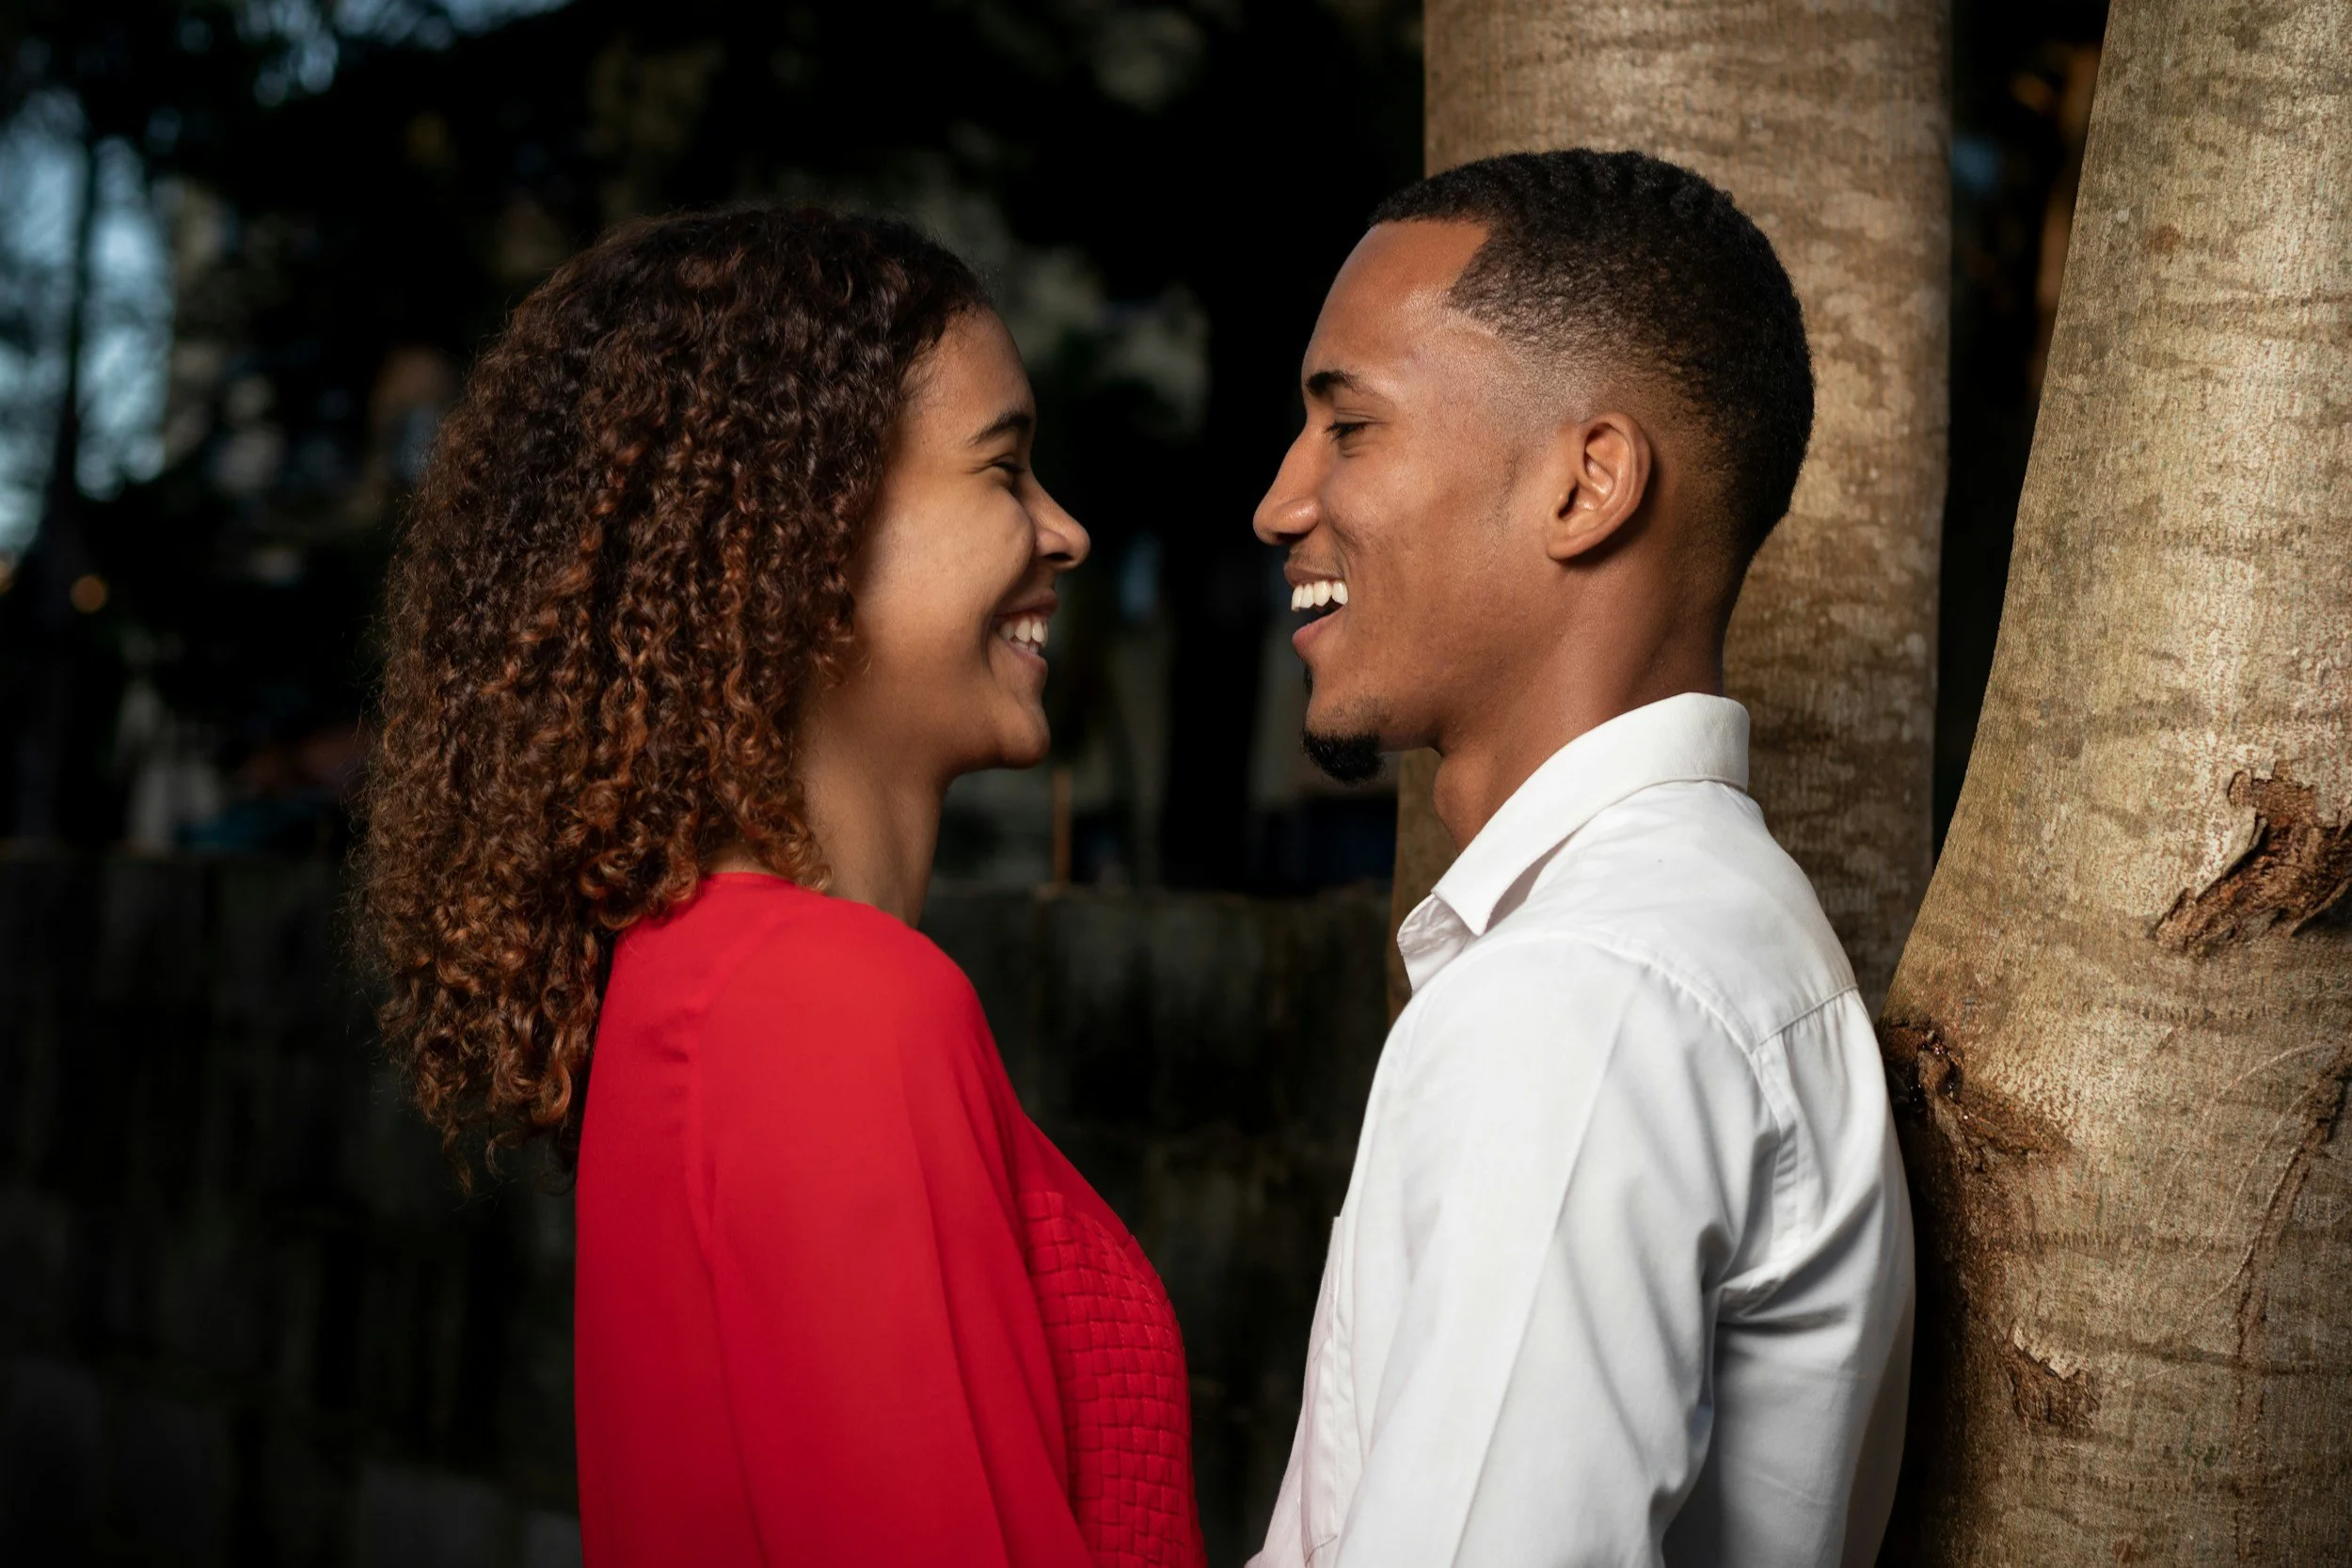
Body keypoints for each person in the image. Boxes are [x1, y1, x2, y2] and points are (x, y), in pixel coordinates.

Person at [358, 207, 1206, 1568]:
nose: (1066, 530)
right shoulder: (833, 1001)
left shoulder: (695, 973)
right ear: (802, 534)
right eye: (1005, 470)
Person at [1248, 150, 1915, 1568]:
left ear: (1587, 482)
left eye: (1347, 427)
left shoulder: (1586, 997)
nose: (1281, 501)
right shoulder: (1684, 944)